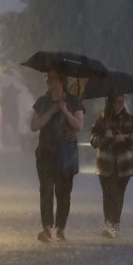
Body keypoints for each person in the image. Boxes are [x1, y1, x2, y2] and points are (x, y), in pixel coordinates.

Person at [31, 69, 85, 243]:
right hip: (46, 152)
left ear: (61, 81)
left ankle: (60, 228)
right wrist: (52, 110)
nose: (48, 82)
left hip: (65, 154)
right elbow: (34, 125)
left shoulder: (74, 101)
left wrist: (65, 111)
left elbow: (79, 125)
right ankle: (46, 228)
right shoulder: (42, 102)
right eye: (47, 78)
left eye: (51, 78)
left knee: (63, 193)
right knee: (46, 190)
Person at [90, 93, 133, 238]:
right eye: (116, 102)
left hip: (124, 164)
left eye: (121, 102)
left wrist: (124, 138)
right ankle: (108, 223)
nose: (118, 105)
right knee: (108, 193)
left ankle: (115, 223)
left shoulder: (131, 120)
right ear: (111, 102)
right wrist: (104, 138)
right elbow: (93, 140)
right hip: (105, 163)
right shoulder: (102, 120)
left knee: (119, 193)